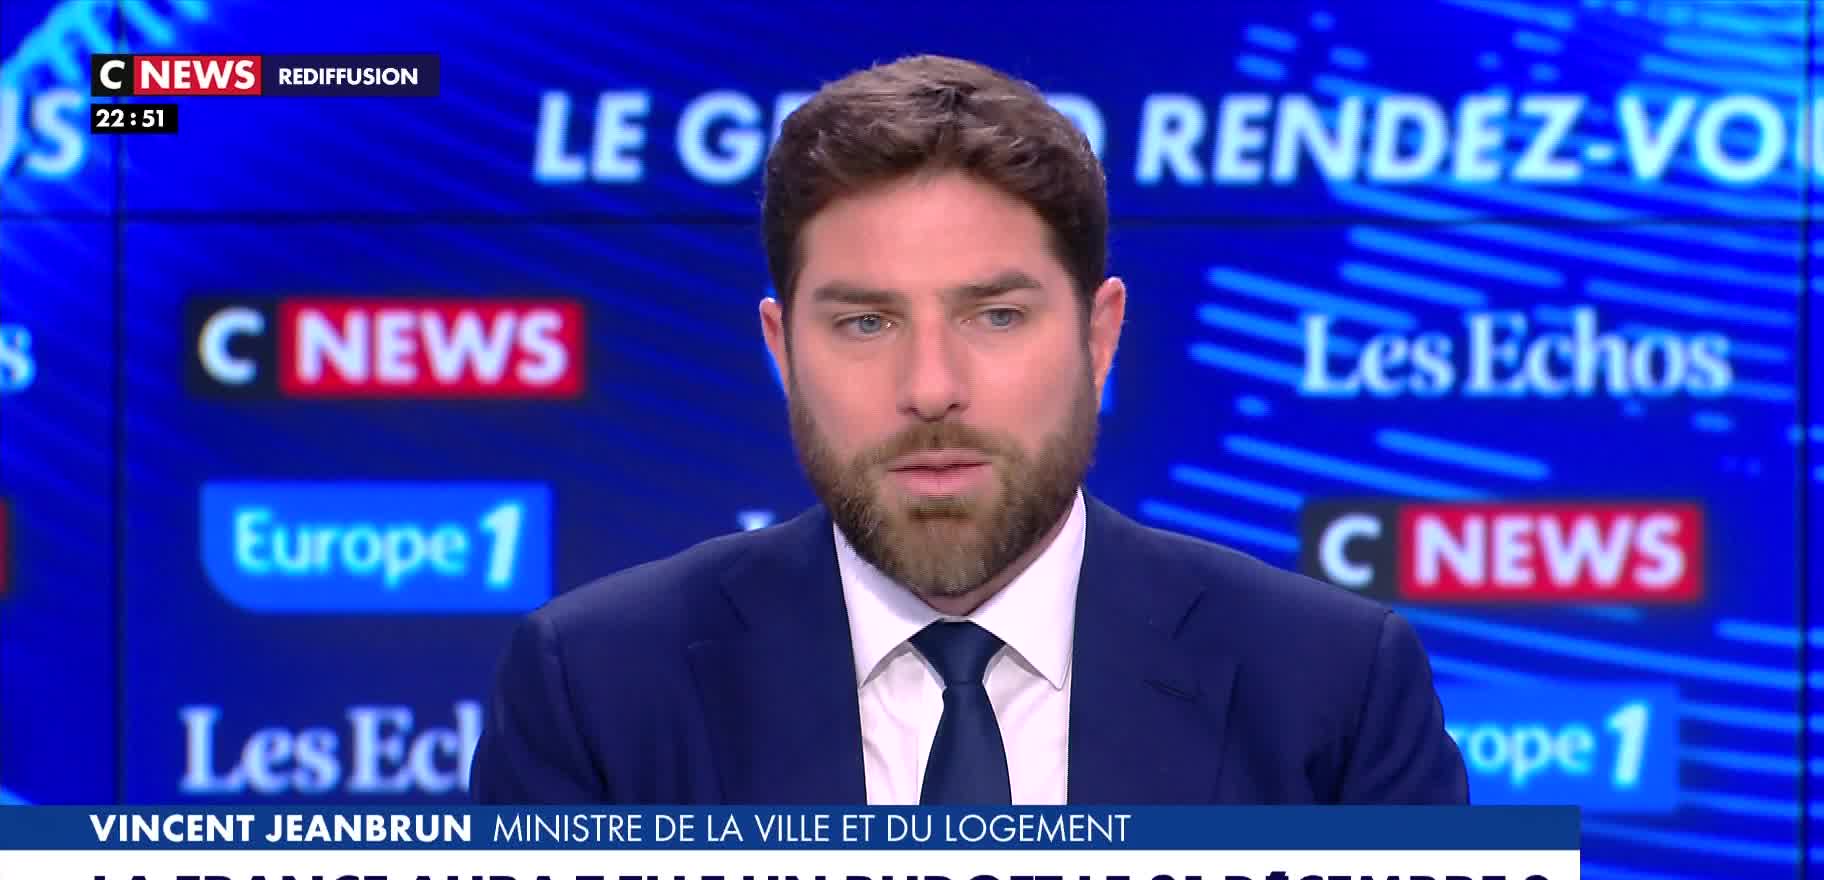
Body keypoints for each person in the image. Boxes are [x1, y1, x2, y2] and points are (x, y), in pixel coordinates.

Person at [467, 54, 1468, 806]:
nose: (931, 388)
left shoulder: (1332, 690)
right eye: (867, 323)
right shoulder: (596, 693)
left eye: (995, 316)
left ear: (1100, 336)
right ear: (781, 349)